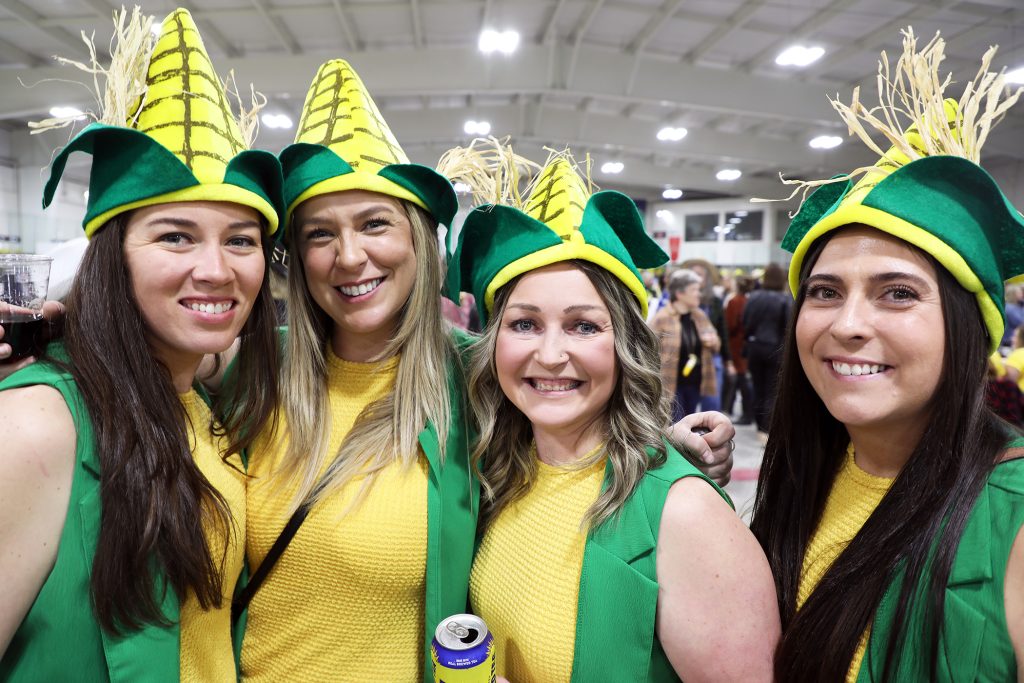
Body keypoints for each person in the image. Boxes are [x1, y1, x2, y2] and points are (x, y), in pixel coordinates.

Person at [231, 61, 741, 683]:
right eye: (319, 233)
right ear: (297, 255)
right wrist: (77, 331)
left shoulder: (473, 376)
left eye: (374, 223)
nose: (350, 256)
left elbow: (572, 421)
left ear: (420, 241)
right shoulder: (250, 369)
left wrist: (670, 451)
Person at [0, 8, 283, 681]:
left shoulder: (195, 389)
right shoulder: (40, 425)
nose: (217, 269)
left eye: (241, 240)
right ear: (113, 258)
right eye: (175, 236)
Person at [749, 29, 1024, 681]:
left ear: (968, 330)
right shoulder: (801, 473)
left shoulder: (1010, 514)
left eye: (896, 293)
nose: (847, 324)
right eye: (825, 291)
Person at [450, 153, 779, 682]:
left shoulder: (683, 513)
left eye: (583, 327)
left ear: (624, 344)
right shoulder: (497, 475)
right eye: (525, 324)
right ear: (491, 344)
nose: (552, 354)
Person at [651, 268, 720, 420]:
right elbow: (647, 350)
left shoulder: (699, 315)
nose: (698, 294)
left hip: (696, 382)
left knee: (690, 423)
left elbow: (716, 343)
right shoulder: (662, 317)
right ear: (680, 294)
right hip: (671, 385)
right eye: (694, 289)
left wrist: (714, 341)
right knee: (675, 427)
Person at [742, 262, 791, 439]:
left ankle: (759, 427)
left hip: (755, 347)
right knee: (772, 391)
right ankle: (766, 429)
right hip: (776, 349)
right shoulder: (785, 299)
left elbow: (746, 323)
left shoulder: (754, 297)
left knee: (757, 387)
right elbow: (788, 327)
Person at [723, 275, 754, 423]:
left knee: (738, 377)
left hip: (735, 344)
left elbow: (729, 325)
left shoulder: (734, 302)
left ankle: (745, 412)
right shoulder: (749, 300)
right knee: (743, 377)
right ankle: (735, 409)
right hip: (746, 343)